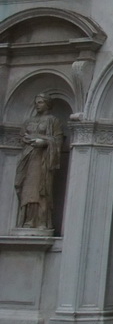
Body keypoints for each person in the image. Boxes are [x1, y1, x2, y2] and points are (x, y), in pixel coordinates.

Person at [14, 94, 63, 230]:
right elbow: (22, 136)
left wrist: (45, 142)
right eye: (36, 102)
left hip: (42, 160)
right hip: (28, 158)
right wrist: (29, 140)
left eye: (40, 102)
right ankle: (26, 220)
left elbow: (58, 140)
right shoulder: (28, 121)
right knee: (21, 186)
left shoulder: (53, 121)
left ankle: (39, 221)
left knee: (40, 189)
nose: (37, 105)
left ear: (47, 104)